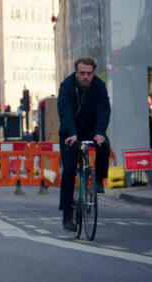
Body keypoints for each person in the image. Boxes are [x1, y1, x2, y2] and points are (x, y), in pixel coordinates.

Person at [57, 56, 111, 232]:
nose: (86, 77)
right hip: (69, 131)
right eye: (82, 73)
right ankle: (66, 214)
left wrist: (100, 133)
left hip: (91, 130)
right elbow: (64, 113)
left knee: (104, 145)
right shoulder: (66, 86)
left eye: (89, 73)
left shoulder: (99, 86)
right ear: (76, 72)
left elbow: (104, 109)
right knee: (70, 170)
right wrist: (72, 134)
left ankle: (99, 180)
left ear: (93, 73)